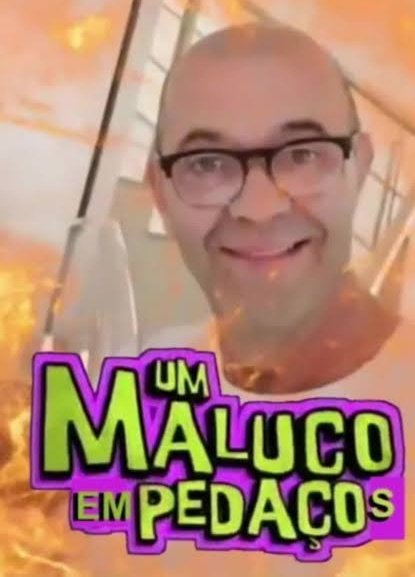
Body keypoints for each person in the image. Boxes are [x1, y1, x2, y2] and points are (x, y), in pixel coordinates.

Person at [77, 21, 415, 577]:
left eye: (302, 155)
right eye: (207, 163)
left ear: (359, 167)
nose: (258, 209)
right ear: (160, 192)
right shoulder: (143, 386)